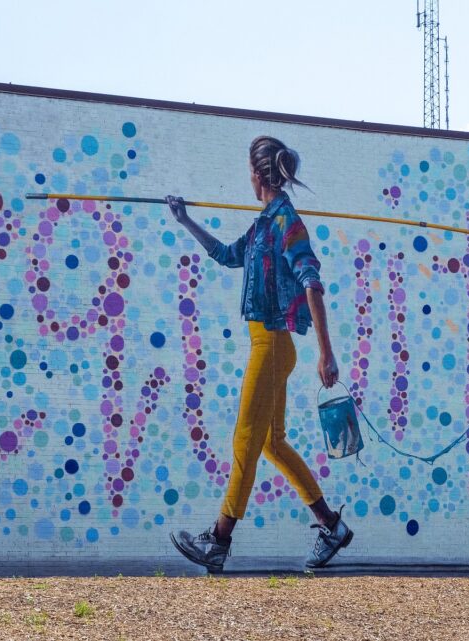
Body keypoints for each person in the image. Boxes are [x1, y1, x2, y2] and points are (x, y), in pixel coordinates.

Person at [167, 136, 352, 573]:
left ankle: (218, 540)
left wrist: (326, 354)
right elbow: (228, 256)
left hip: (271, 345)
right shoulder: (264, 225)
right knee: (270, 442)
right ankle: (331, 526)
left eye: (248, 171)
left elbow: (311, 281)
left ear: (257, 175)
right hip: (271, 345)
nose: (246, 178)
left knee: (246, 440)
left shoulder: (286, 221)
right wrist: (185, 221)